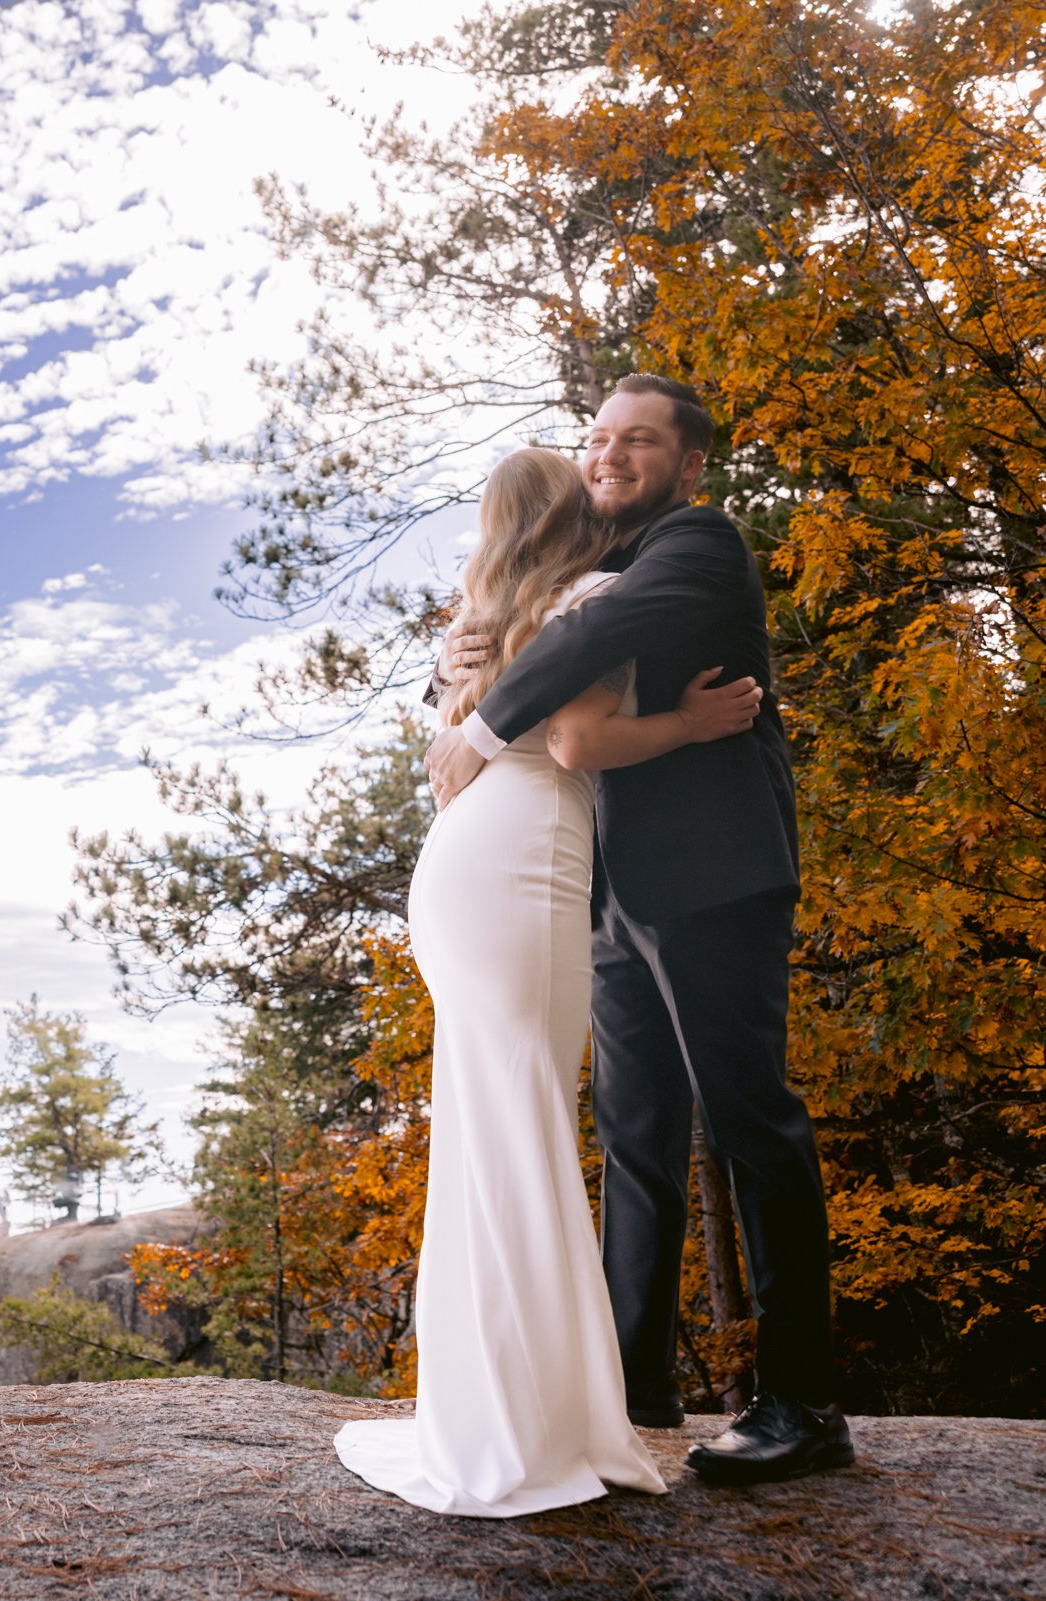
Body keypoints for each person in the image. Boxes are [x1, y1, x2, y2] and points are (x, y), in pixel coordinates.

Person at [424, 375, 853, 1486]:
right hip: (608, 889)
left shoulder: (698, 542)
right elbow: (548, 647)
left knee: (753, 1122)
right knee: (637, 1139)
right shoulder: (575, 571)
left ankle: (803, 1399)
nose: (611, 455)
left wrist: (482, 720)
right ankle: (632, 1381)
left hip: (713, 877)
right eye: (600, 437)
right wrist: (469, 657)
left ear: (689, 462)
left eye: (640, 440)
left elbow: (603, 632)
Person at [334, 444, 760, 1517]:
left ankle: (497, 1406)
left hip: (463, 863)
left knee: (487, 1131)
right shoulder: (590, 596)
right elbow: (577, 742)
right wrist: (691, 723)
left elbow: (470, 731)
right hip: (521, 864)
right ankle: (535, 1425)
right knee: (521, 1125)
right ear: (574, 513)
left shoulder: (486, 615)